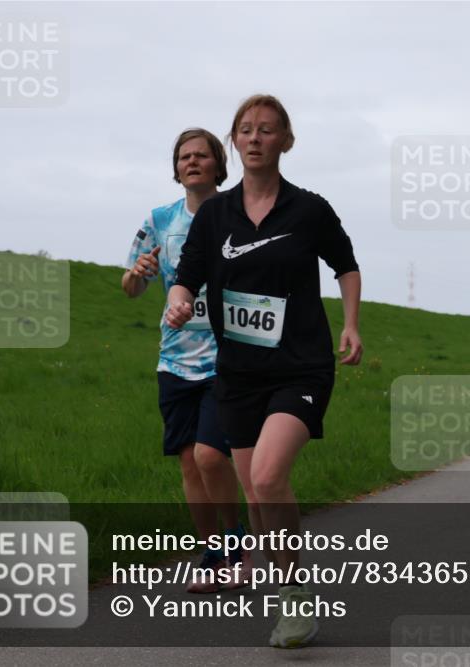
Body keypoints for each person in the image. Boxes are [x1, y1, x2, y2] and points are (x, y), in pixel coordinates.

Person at [166, 94, 362, 649]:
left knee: (269, 477)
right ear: (236, 141)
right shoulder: (215, 216)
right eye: (246, 130)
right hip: (240, 373)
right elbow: (188, 274)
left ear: (285, 142)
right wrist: (178, 301)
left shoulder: (309, 209)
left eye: (268, 130)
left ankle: (297, 598)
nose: (256, 138)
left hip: (300, 367)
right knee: (257, 498)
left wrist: (351, 324)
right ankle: (289, 589)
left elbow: (346, 265)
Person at [122, 128, 250, 594]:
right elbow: (131, 287)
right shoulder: (159, 220)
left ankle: (238, 547)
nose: (192, 162)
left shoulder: (238, 214)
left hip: (227, 356)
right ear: (175, 168)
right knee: (189, 466)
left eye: (201, 155)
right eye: (183, 157)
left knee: (211, 454)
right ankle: (213, 555)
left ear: (219, 164)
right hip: (174, 359)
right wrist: (138, 275)